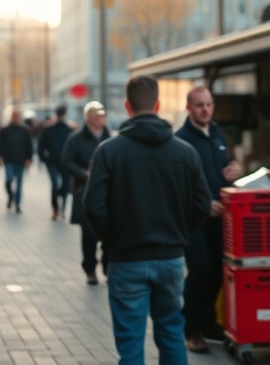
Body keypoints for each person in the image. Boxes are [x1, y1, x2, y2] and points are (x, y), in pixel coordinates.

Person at [84, 76, 210, 365]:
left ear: (127, 106)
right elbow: (203, 205)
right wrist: (180, 232)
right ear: (158, 105)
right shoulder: (185, 152)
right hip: (170, 258)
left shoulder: (108, 152)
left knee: (130, 344)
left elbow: (93, 206)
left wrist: (113, 239)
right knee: (172, 334)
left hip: (126, 258)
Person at [174, 85, 242, 353]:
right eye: (200, 105)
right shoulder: (180, 141)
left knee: (218, 270)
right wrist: (203, 205)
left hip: (222, 217)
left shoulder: (218, 135)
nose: (205, 110)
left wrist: (234, 170)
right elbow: (178, 184)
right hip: (194, 220)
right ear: (188, 107)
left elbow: (227, 167)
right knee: (200, 270)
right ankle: (191, 329)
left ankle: (208, 321)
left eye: (209, 104)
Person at [62, 100, 111, 284]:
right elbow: (66, 161)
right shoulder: (76, 139)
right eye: (97, 116)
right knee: (89, 234)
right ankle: (90, 268)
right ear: (89, 118)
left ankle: (107, 266)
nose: (100, 120)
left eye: (102, 116)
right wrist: (84, 173)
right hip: (84, 191)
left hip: (108, 192)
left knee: (109, 233)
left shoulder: (109, 137)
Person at [0, 107, 34, 213]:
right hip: (9, 160)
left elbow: (29, 146)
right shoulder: (5, 130)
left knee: (19, 184)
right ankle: (10, 196)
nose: (16, 118)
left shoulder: (25, 130)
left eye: (17, 116)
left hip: (21, 161)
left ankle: (17, 203)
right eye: (14, 116)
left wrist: (29, 159)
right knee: (8, 181)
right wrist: (0, 157)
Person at [37, 105, 73, 220]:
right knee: (63, 185)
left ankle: (56, 209)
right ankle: (61, 208)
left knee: (56, 185)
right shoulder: (68, 130)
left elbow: (41, 146)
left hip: (54, 162)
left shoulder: (49, 130)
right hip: (60, 162)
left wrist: (43, 159)